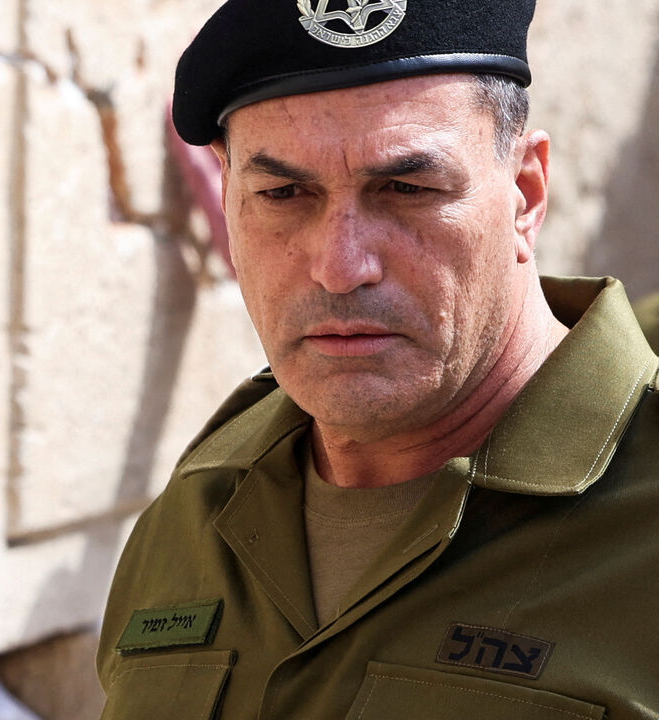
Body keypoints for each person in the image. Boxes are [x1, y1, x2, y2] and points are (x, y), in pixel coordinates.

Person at [96, 1, 659, 717]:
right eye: (282, 194)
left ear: (525, 194)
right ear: (229, 203)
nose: (340, 266)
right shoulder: (199, 508)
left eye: (406, 189)